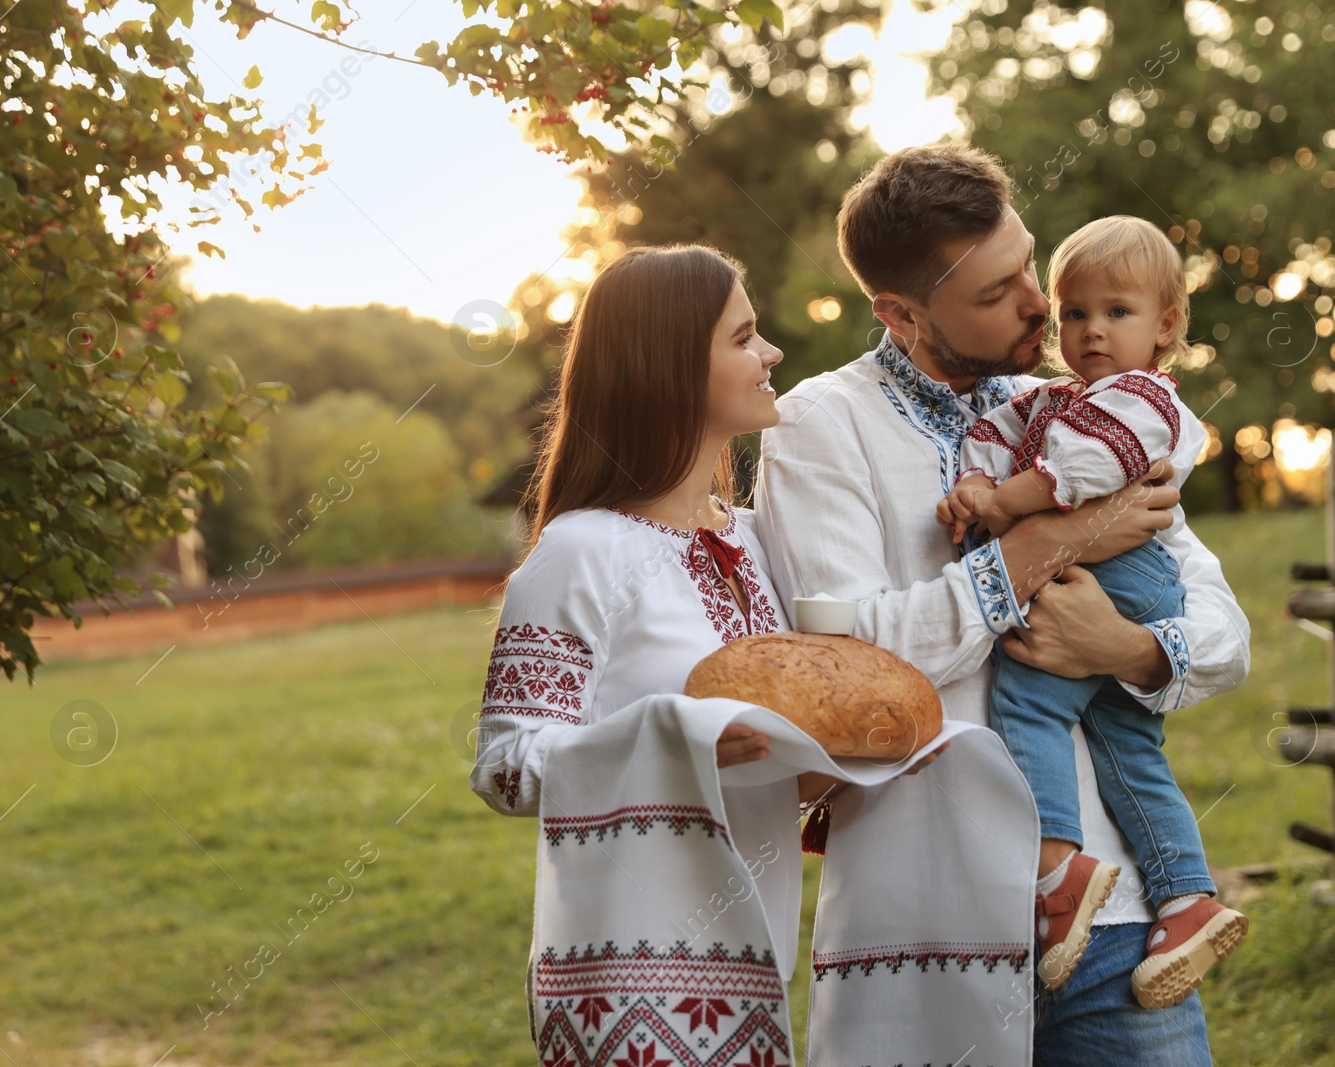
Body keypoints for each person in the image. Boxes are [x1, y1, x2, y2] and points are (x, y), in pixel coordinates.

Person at [755, 144, 1251, 1066]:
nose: (1039, 303)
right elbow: (857, 673)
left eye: (1026, 262)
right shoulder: (822, 426)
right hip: (927, 920)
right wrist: (1041, 546)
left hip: (1121, 919)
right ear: (900, 313)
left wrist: (1129, 649)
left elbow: (1223, 631)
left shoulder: (1076, 408)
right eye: (996, 293)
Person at [469, 244, 877, 1066]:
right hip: (627, 989)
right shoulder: (580, 551)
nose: (771, 354)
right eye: (744, 336)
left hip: (754, 965)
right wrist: (669, 738)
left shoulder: (758, 540)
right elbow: (506, 764)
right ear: (669, 366)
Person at [939, 215, 1249, 1006]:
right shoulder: (1053, 398)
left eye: (1117, 313)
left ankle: (1056, 870)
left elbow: (1087, 467)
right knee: (1127, 744)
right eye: (1075, 313)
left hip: (1132, 579)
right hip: (1111, 577)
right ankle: (1186, 898)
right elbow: (994, 429)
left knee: (1029, 697)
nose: (1091, 331)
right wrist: (976, 479)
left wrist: (1006, 504)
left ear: (1167, 326)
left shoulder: (1144, 399)